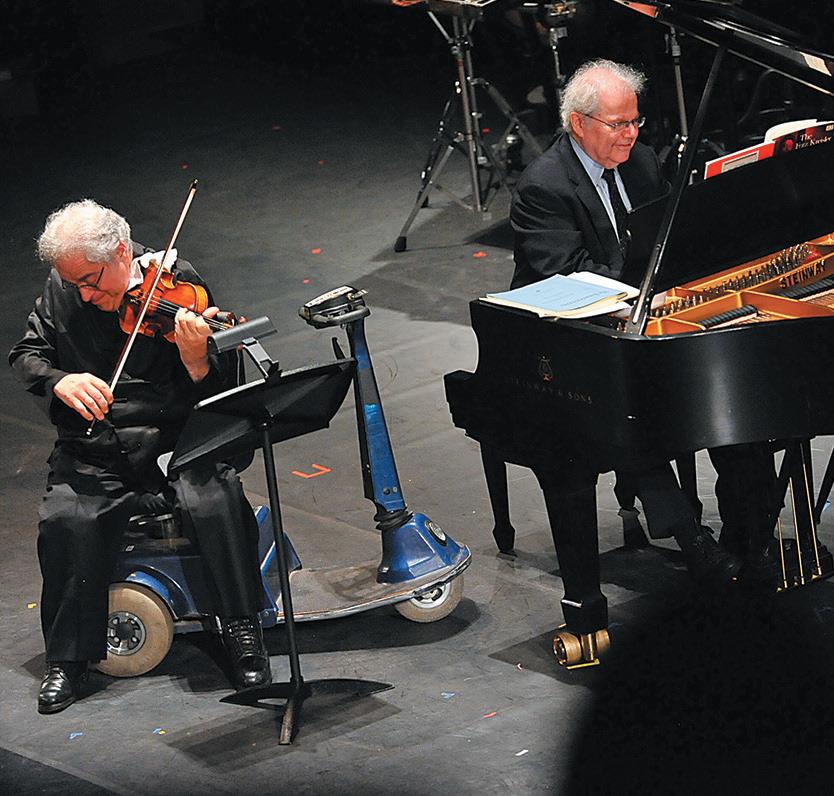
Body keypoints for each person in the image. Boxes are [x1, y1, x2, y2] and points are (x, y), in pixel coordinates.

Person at [9, 199, 271, 715]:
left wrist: (197, 361)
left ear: (121, 253)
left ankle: (242, 628)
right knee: (66, 517)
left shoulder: (178, 283)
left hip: (175, 441)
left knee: (216, 499)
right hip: (98, 445)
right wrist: (61, 380)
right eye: (75, 284)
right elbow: (26, 354)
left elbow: (220, 394)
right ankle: (67, 659)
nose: (85, 294)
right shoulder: (63, 287)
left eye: (91, 281)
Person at [510, 59, 746, 584]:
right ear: (578, 123)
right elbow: (568, 275)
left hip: (637, 321)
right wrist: (643, 289)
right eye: (618, 124)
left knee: (731, 398)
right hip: (564, 343)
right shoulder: (543, 187)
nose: (631, 134)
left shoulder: (640, 163)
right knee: (630, 417)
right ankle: (692, 539)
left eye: (635, 121)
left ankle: (746, 533)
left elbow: (665, 236)